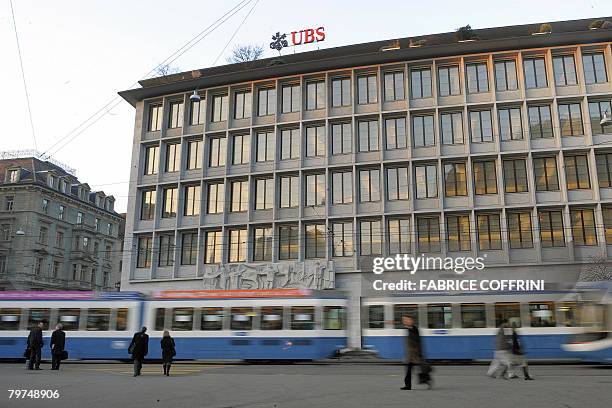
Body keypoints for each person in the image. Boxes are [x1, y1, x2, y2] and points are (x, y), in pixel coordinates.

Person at [401, 315, 432, 390]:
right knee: (408, 371)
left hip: (415, 354)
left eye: (407, 320)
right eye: (404, 320)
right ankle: (408, 386)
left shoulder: (414, 329)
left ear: (411, 321)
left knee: (421, 369)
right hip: (410, 354)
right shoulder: (407, 329)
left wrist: (419, 353)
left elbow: (418, 342)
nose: (405, 321)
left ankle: (427, 381)